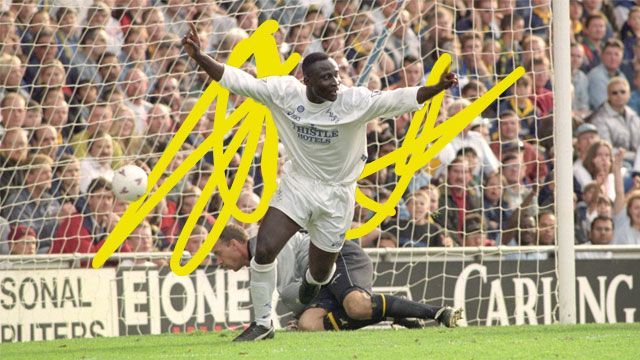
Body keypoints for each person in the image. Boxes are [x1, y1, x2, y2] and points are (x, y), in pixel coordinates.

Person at [182, 23, 458, 341]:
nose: (335, 82)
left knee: (321, 272)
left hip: (338, 194)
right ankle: (262, 324)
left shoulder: (353, 101)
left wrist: (436, 88)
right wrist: (200, 56)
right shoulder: (285, 93)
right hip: (299, 184)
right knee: (265, 249)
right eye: (326, 77)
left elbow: (400, 98)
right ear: (307, 81)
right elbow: (240, 81)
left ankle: (314, 281)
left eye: (336, 75)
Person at [213, 224, 462, 335]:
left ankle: (438, 313)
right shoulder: (260, 257)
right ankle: (391, 313)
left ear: (234, 244)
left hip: (337, 257)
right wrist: (300, 318)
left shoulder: (265, 245)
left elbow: (292, 292)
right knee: (310, 325)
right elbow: (299, 290)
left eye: (218, 254)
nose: (219, 262)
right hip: (320, 278)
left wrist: (295, 315)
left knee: (357, 305)